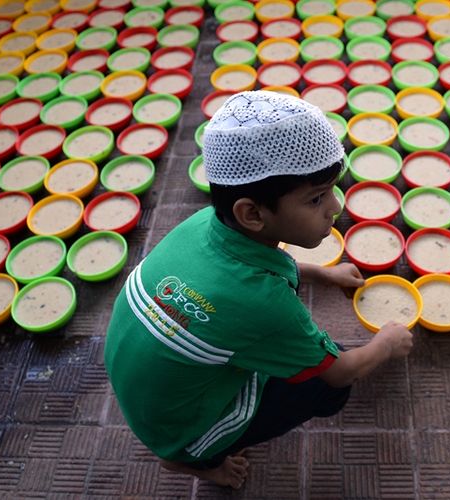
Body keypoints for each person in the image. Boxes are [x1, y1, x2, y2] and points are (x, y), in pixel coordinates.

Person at [104, 91, 414, 489]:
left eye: (333, 190)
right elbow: (341, 373)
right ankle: (196, 461)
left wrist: (322, 274)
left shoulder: (201, 224)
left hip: (145, 386)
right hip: (176, 427)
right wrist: (387, 344)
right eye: (317, 198)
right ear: (252, 213)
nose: (334, 207)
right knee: (323, 387)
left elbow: (240, 272)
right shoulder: (266, 305)